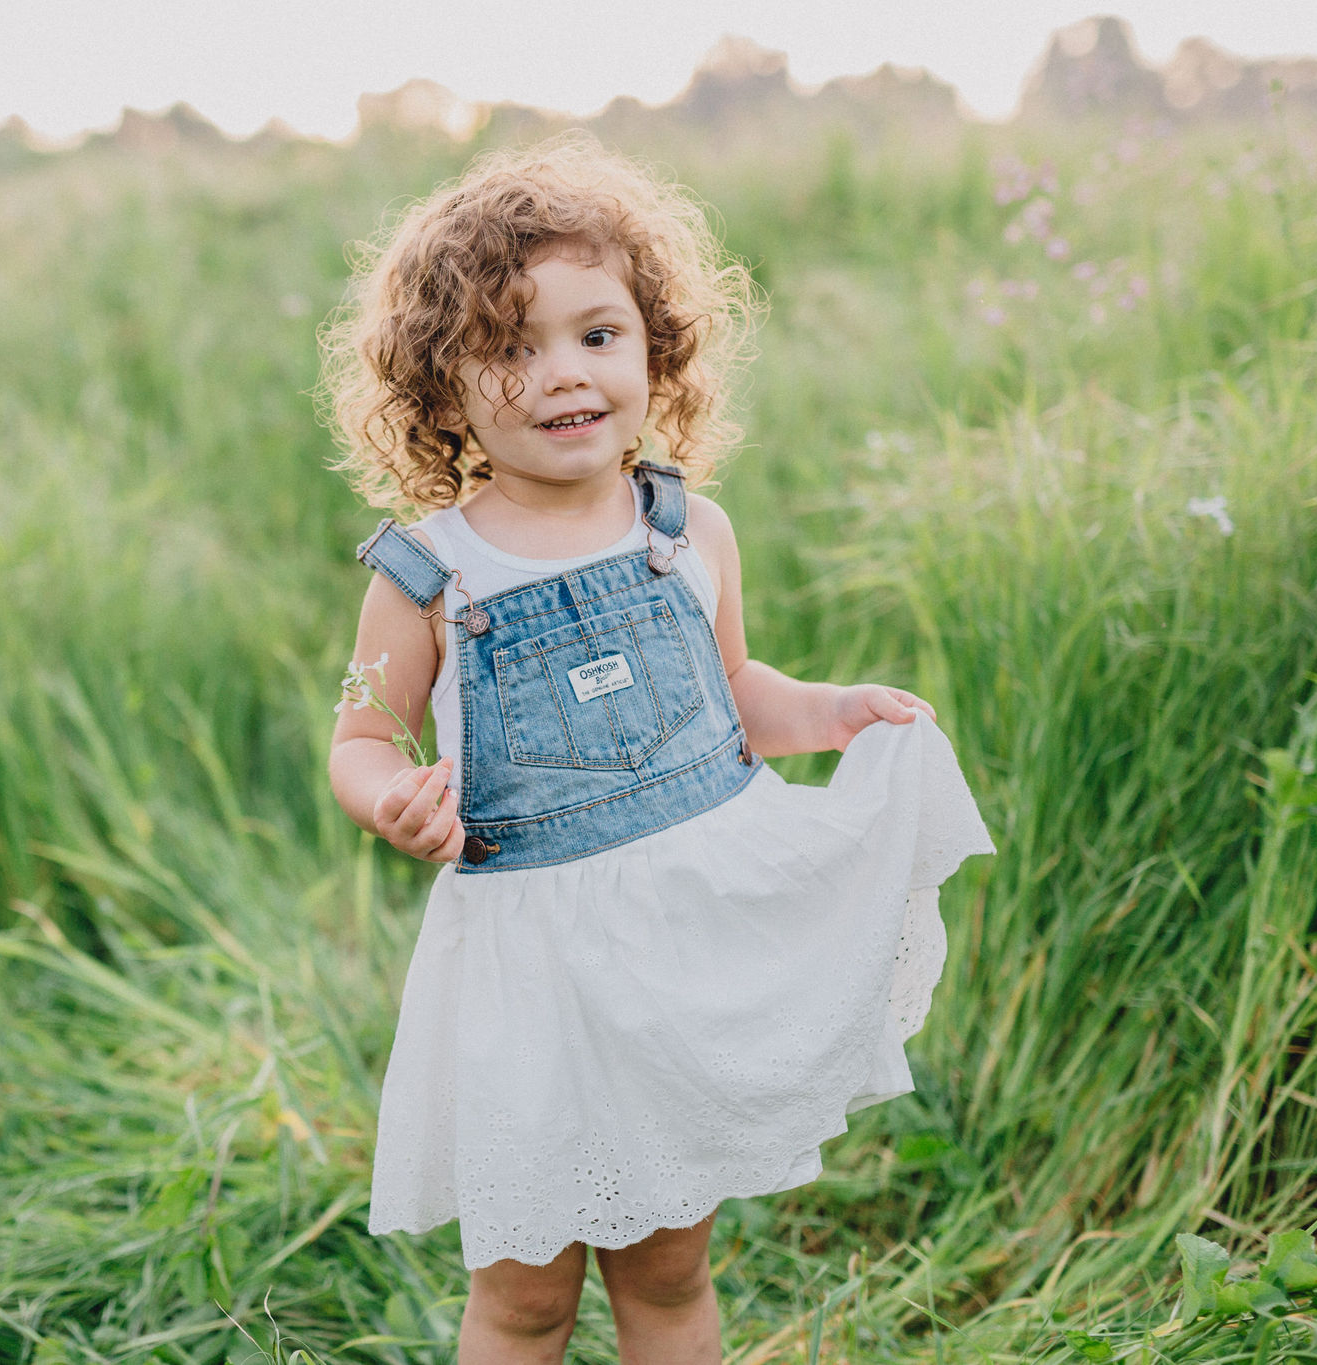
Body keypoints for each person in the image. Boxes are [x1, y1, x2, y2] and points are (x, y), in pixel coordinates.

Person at [319, 131, 995, 1364]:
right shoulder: (428, 574)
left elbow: (733, 691)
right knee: (523, 1295)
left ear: (652, 348)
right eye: (506, 347)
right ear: (439, 388)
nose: (560, 374)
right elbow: (359, 733)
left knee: (668, 1270)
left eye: (594, 334)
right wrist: (387, 798)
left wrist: (830, 710)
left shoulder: (687, 533)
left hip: (677, 967)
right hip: (530, 973)